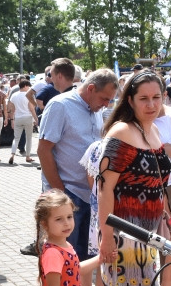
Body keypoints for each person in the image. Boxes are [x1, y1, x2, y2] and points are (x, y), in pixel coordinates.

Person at [86, 71, 171, 286]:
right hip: (126, 232)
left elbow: (157, 184)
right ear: (131, 101)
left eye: (156, 97)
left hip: (147, 231)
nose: (151, 104)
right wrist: (107, 235)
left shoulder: (153, 132)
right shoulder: (122, 132)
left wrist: (163, 219)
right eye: (144, 99)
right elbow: (104, 187)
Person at [37, 68, 120, 268]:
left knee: (81, 260)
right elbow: (44, 150)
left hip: (90, 195)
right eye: (104, 99)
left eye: (110, 100)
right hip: (68, 194)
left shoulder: (95, 109)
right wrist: (60, 193)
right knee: (61, 259)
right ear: (90, 88)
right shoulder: (60, 106)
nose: (106, 105)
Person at [6, 77, 37, 164]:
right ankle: (27, 156)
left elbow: (11, 109)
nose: (29, 88)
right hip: (28, 117)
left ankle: (12, 154)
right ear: (25, 86)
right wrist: (36, 119)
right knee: (29, 138)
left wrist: (12, 120)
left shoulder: (14, 95)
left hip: (18, 118)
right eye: (29, 86)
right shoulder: (28, 95)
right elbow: (31, 109)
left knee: (16, 138)